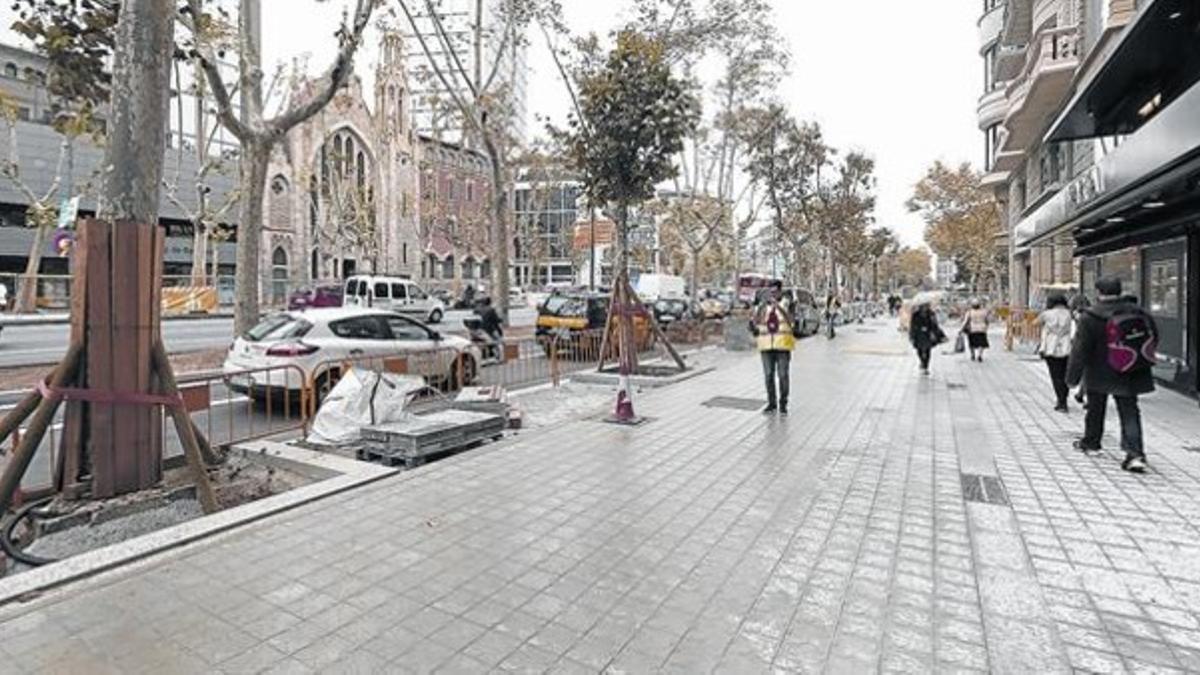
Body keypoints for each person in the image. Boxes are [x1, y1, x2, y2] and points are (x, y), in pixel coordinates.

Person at [1067, 277, 1157, 473]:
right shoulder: (1137, 311)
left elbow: (1080, 349)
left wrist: (1072, 378)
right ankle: (1135, 454)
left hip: (1099, 370)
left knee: (1095, 408)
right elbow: (1153, 336)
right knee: (1130, 410)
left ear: (1099, 292)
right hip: (1130, 369)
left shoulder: (1090, 316)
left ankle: (1091, 443)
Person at [749, 281, 798, 414]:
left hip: (782, 344)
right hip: (766, 345)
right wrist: (760, 308)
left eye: (775, 291)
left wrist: (779, 307)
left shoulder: (788, 303)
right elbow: (755, 321)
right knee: (768, 375)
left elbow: (791, 321)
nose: (773, 294)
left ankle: (783, 403)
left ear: (780, 291)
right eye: (770, 291)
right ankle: (771, 403)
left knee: (783, 375)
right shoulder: (763, 305)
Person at [1038, 293, 1074, 412]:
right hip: (1066, 346)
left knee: (1055, 375)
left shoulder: (1047, 314)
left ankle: (1061, 401)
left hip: (1051, 347)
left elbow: (1035, 322)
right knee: (1065, 374)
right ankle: (1064, 398)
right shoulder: (1069, 314)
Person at [909, 301, 944, 374]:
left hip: (928, 334)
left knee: (928, 350)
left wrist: (936, 333)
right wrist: (912, 335)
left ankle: (926, 366)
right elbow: (912, 325)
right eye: (924, 306)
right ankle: (921, 360)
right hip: (918, 334)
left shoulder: (931, 314)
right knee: (919, 350)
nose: (926, 307)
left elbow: (935, 324)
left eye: (927, 305)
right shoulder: (915, 314)